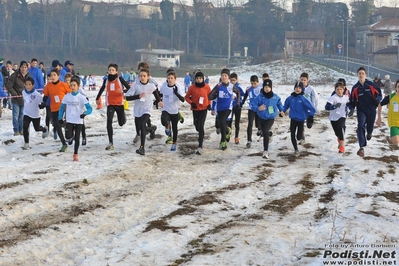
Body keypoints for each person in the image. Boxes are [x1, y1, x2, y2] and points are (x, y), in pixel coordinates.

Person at [125, 68, 161, 155]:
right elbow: (127, 97)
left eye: (144, 76)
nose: (142, 77)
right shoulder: (136, 86)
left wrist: (159, 101)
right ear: (138, 76)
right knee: (140, 128)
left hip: (147, 109)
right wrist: (138, 96)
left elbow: (156, 94)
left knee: (142, 124)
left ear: (148, 77)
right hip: (138, 110)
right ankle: (151, 130)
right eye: (141, 76)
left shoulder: (151, 86)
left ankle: (142, 148)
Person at [348, 66, 382, 157]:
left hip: (371, 109)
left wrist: (377, 100)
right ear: (357, 75)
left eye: (363, 73)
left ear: (365, 75)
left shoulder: (371, 84)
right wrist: (351, 109)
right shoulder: (355, 87)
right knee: (360, 126)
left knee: (369, 127)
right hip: (361, 110)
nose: (361, 75)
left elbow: (379, 94)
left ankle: (370, 132)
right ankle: (361, 147)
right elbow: (351, 100)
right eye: (359, 73)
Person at [95, 63, 130, 150]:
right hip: (110, 104)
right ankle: (111, 142)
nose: (111, 72)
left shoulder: (120, 79)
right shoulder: (106, 80)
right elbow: (102, 88)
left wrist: (122, 91)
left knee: (121, 123)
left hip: (119, 104)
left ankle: (123, 117)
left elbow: (129, 88)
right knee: (109, 121)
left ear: (116, 71)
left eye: (113, 70)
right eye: (109, 70)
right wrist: (97, 97)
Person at [58, 76, 92, 161]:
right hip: (69, 119)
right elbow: (62, 107)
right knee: (68, 135)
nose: (72, 87)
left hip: (78, 120)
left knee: (77, 138)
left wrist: (85, 113)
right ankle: (71, 135)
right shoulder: (67, 96)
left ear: (78, 86)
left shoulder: (81, 97)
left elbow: (90, 108)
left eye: (74, 85)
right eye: (71, 85)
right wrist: (60, 117)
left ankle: (75, 153)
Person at [208, 68, 241, 151]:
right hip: (219, 108)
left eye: (225, 75)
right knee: (221, 123)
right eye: (222, 75)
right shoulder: (218, 86)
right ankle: (227, 130)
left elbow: (238, 93)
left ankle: (223, 141)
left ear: (228, 77)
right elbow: (210, 96)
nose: (223, 77)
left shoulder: (231, 86)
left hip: (228, 108)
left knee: (222, 121)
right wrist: (214, 96)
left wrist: (237, 103)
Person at [252, 79, 284, 159]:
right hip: (261, 118)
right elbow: (252, 105)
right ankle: (269, 134)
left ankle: (265, 151)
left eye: (268, 87)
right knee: (264, 132)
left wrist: (281, 110)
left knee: (265, 131)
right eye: (265, 87)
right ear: (263, 87)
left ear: (271, 87)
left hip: (270, 118)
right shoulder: (260, 97)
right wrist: (258, 108)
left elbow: (279, 103)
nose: (267, 88)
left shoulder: (275, 97)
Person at [41, 68, 71, 152]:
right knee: (55, 125)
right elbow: (46, 96)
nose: (53, 77)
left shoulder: (63, 85)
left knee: (57, 125)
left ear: (58, 76)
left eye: (54, 75)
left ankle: (64, 144)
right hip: (53, 108)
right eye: (51, 75)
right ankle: (64, 126)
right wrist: (43, 103)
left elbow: (70, 94)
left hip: (62, 108)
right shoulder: (48, 86)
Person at [283, 81, 315, 157]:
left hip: (301, 120)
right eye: (296, 88)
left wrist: (311, 116)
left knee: (298, 136)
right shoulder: (290, 98)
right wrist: (282, 111)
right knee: (292, 135)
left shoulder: (303, 99)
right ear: (294, 88)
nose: (298, 89)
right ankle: (296, 150)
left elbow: (311, 108)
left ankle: (301, 136)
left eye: (299, 88)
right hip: (293, 119)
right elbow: (285, 106)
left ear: (302, 89)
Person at [184, 71, 212, 155]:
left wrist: (209, 105)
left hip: (204, 109)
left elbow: (210, 96)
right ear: (195, 79)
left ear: (203, 79)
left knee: (201, 125)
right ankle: (200, 135)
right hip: (195, 109)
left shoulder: (207, 87)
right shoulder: (192, 87)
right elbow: (187, 97)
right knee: (196, 125)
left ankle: (200, 146)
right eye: (197, 78)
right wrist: (191, 103)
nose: (199, 80)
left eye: (200, 78)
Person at [158, 71, 185, 151]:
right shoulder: (163, 86)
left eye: (171, 78)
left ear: (175, 79)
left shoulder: (178, 86)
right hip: (165, 108)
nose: (170, 80)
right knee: (163, 121)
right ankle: (167, 126)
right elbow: (160, 94)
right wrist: (157, 101)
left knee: (175, 128)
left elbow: (182, 99)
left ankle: (174, 143)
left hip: (174, 110)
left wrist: (176, 93)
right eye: (168, 78)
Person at [21, 77, 48, 150]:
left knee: (37, 128)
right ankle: (26, 144)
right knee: (25, 127)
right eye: (26, 84)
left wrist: (42, 104)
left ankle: (44, 129)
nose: (28, 86)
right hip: (26, 113)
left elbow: (43, 101)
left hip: (35, 114)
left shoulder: (37, 94)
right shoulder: (23, 92)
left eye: (29, 84)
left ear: (33, 85)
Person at [7, 61, 31, 136]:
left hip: (25, 99)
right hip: (16, 99)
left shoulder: (29, 76)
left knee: (22, 115)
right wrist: (15, 94)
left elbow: (31, 86)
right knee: (15, 115)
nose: (24, 69)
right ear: (20, 67)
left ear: (27, 68)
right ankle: (16, 130)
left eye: (25, 67)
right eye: (22, 67)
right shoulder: (14, 75)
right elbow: (9, 86)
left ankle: (21, 129)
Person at [325, 81, 350, 153]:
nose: (339, 91)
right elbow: (327, 107)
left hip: (342, 116)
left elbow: (350, 104)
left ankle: (342, 147)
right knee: (337, 133)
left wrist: (351, 109)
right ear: (335, 90)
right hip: (333, 117)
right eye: (337, 89)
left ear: (343, 90)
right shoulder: (333, 98)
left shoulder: (346, 97)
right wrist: (333, 106)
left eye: (341, 89)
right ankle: (339, 139)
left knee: (340, 127)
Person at [376, 79, 399, 146]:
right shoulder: (391, 97)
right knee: (396, 142)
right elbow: (380, 105)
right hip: (394, 123)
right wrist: (379, 118)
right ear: (396, 88)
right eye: (398, 86)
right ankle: (393, 138)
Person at [241, 75, 262, 148]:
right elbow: (245, 97)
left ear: (258, 82)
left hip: (259, 108)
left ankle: (259, 129)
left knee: (258, 123)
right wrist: (241, 103)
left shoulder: (261, 89)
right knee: (250, 124)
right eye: (252, 83)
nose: (253, 85)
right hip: (251, 108)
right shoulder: (248, 89)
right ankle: (249, 140)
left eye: (255, 83)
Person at [228, 72, 245, 144]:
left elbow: (244, 95)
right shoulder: (228, 87)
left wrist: (241, 103)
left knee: (237, 123)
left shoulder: (239, 87)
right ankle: (228, 135)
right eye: (231, 80)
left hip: (237, 107)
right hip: (230, 107)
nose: (232, 82)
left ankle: (236, 137)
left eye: (234, 80)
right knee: (229, 121)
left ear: (237, 80)